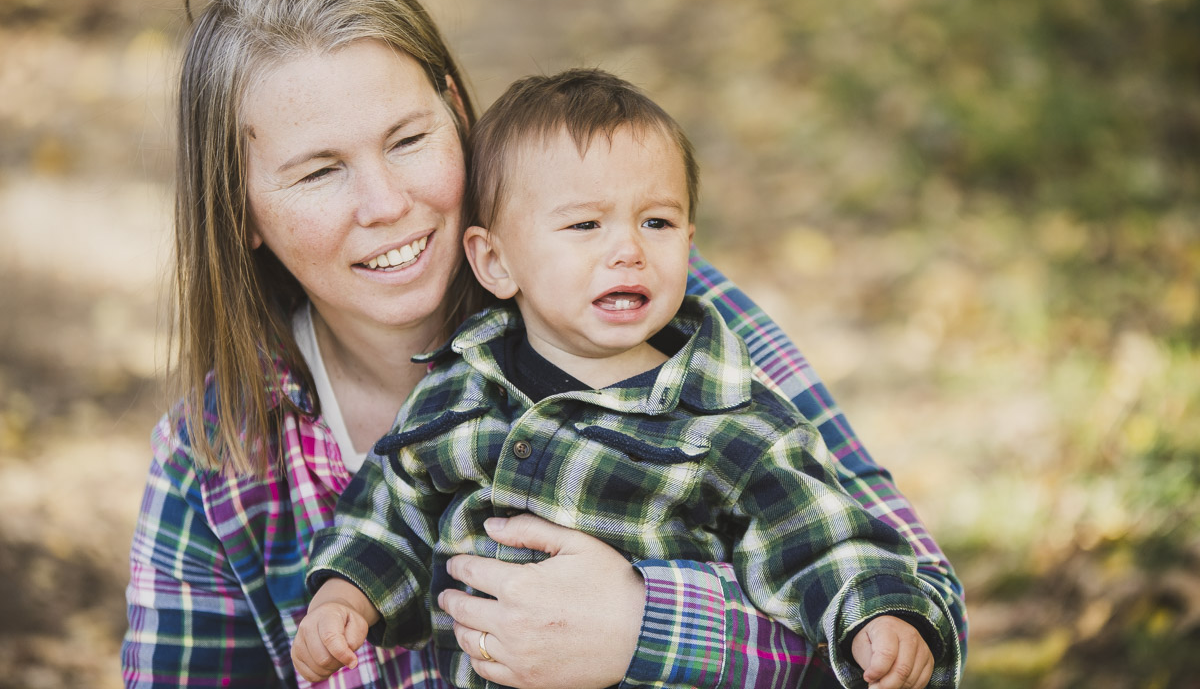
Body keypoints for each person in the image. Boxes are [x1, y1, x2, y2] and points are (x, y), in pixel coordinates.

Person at [122, 0, 966, 689]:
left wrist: (648, 631)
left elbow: (925, 628)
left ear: (457, 112)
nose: (386, 203)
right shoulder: (219, 457)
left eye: (408, 139)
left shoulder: (658, 326)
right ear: (240, 213)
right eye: (318, 172)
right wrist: (346, 595)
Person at [293, 68, 960, 689]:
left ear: (689, 241)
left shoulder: (733, 421)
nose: (628, 249)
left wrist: (877, 615)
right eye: (585, 224)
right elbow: (392, 509)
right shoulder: (460, 392)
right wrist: (346, 595)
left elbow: (820, 540)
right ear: (494, 262)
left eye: (657, 222)